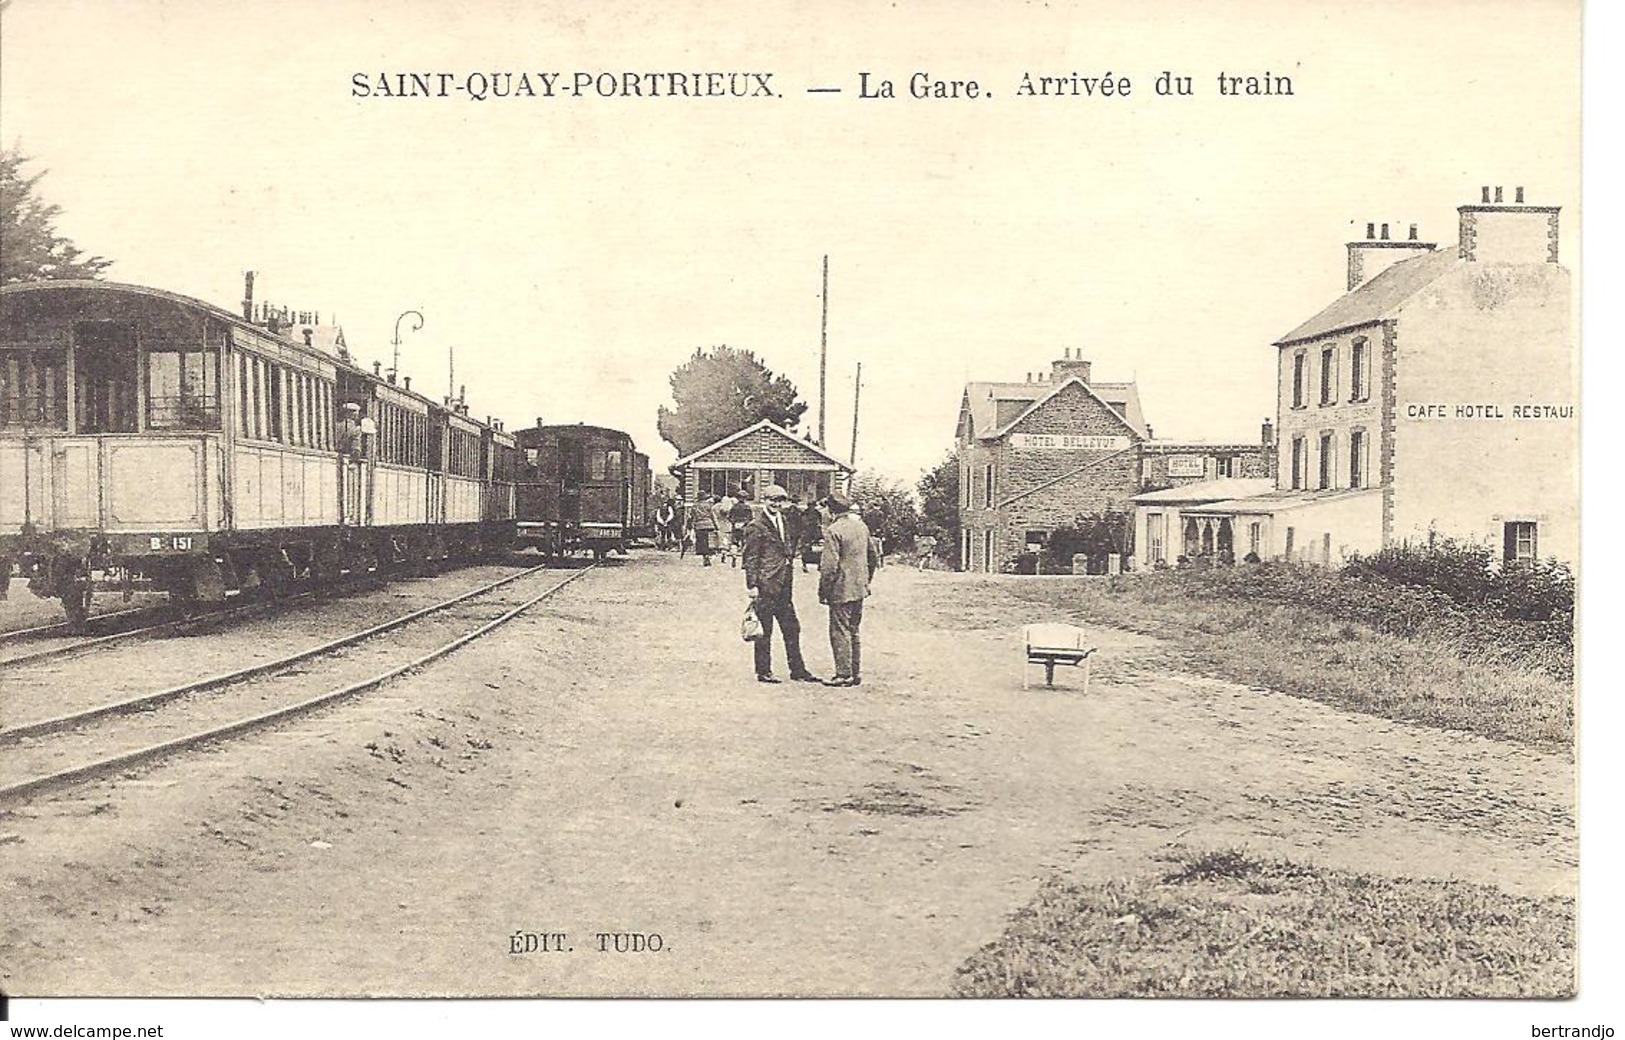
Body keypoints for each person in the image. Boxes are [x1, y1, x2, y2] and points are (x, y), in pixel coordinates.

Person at [742, 484, 820, 685]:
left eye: (780, 500)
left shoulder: (785, 520)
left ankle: (798, 670)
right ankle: (764, 671)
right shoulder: (756, 526)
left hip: (784, 583)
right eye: (772, 500)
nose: (776, 504)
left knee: (792, 628)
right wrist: (752, 585)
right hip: (765, 583)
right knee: (764, 630)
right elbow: (750, 558)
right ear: (764, 501)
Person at [818, 490, 880, 687]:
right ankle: (854, 672)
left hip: (841, 589)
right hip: (859, 588)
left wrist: (824, 591)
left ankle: (843, 674)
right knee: (854, 630)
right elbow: (873, 557)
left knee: (839, 630)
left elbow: (829, 567)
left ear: (831, 510)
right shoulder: (861, 527)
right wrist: (865, 580)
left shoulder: (833, 531)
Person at [691, 494, 718, 565]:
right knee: (709, 541)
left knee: (702, 541)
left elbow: (693, 516)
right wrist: (716, 526)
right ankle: (709, 555)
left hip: (699, 525)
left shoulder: (695, 506)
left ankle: (705, 556)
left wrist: (693, 525)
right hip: (709, 524)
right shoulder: (708, 505)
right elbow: (713, 516)